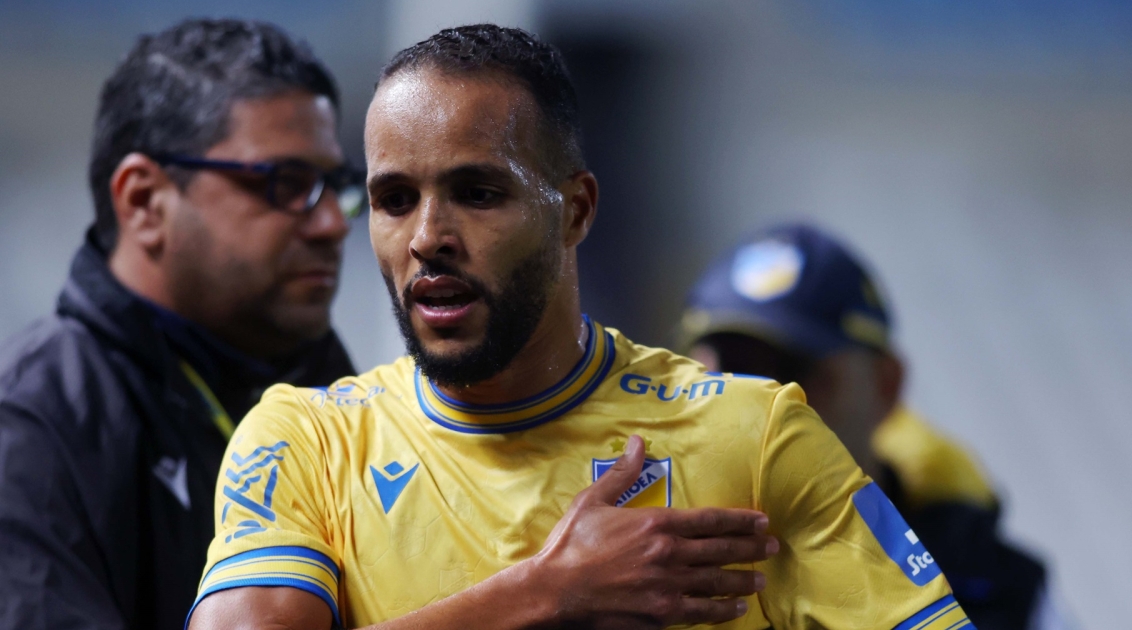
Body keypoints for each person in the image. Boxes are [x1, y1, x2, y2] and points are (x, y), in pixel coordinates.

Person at [187, 25, 975, 630]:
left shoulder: (755, 438)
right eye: (394, 200)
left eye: (478, 193)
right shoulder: (306, 444)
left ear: (575, 210)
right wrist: (546, 592)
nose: (427, 236)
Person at [0, 19, 362, 630]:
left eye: (336, 186)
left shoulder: (338, 396)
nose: (333, 223)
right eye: (287, 183)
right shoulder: (33, 427)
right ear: (144, 201)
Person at [679, 223, 1056, 629]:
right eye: (726, 375)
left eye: (788, 372)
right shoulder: (651, 576)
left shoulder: (1003, 591)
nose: (760, 405)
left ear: (885, 384)